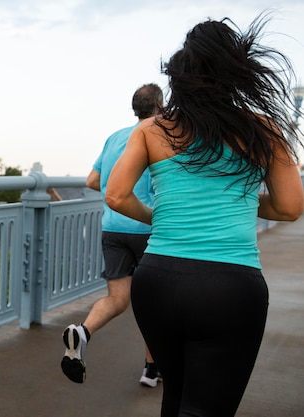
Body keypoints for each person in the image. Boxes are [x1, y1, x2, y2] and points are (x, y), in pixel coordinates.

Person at [105, 14, 303, 416]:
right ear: (237, 73)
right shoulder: (263, 129)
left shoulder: (153, 129)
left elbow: (116, 194)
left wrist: (160, 217)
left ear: (180, 74)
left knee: (174, 396)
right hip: (230, 287)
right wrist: (244, 200)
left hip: (158, 280)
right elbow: (289, 206)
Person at [61, 83, 163, 386]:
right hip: (148, 228)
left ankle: (83, 331)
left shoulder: (115, 137)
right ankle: (151, 369)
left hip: (113, 227)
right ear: (160, 106)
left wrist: (112, 190)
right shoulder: (159, 135)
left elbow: (94, 180)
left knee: (117, 298)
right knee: (155, 304)